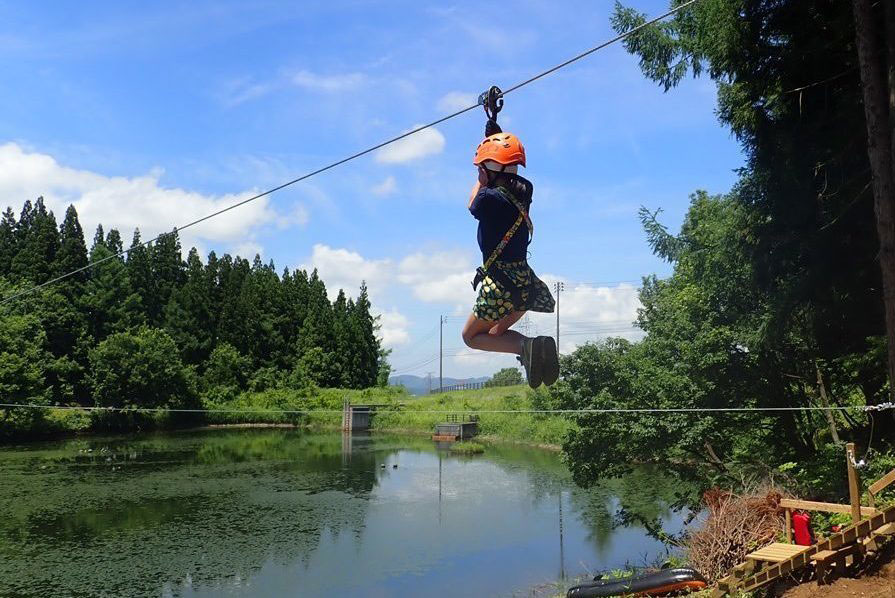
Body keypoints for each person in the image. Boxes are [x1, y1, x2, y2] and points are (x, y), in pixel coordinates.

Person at [461, 131, 559, 388]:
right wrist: (494, 136)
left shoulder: (488, 198)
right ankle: (529, 350)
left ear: (487, 170)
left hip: (500, 285)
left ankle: (529, 345)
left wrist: (481, 179)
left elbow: (473, 201)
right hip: (524, 284)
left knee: (471, 337)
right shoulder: (525, 189)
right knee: (495, 335)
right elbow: (504, 170)